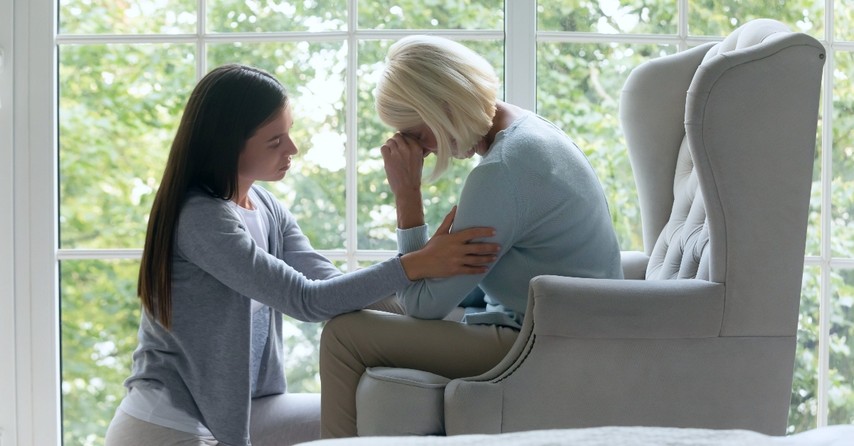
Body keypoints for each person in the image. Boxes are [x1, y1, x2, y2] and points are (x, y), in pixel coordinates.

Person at [103, 63, 501, 446]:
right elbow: (307, 301)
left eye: (288, 133)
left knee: (384, 416)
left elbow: (331, 286)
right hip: (167, 425)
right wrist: (415, 264)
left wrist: (462, 319)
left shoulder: (264, 206)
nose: (291, 148)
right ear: (226, 147)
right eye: (274, 141)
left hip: (245, 412)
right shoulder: (201, 219)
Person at [318, 35, 624, 437]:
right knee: (367, 302)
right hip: (555, 325)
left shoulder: (502, 171)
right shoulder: (528, 131)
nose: (422, 151)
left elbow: (422, 307)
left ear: (442, 108)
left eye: (417, 134)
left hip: (543, 342)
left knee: (344, 335)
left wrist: (407, 193)